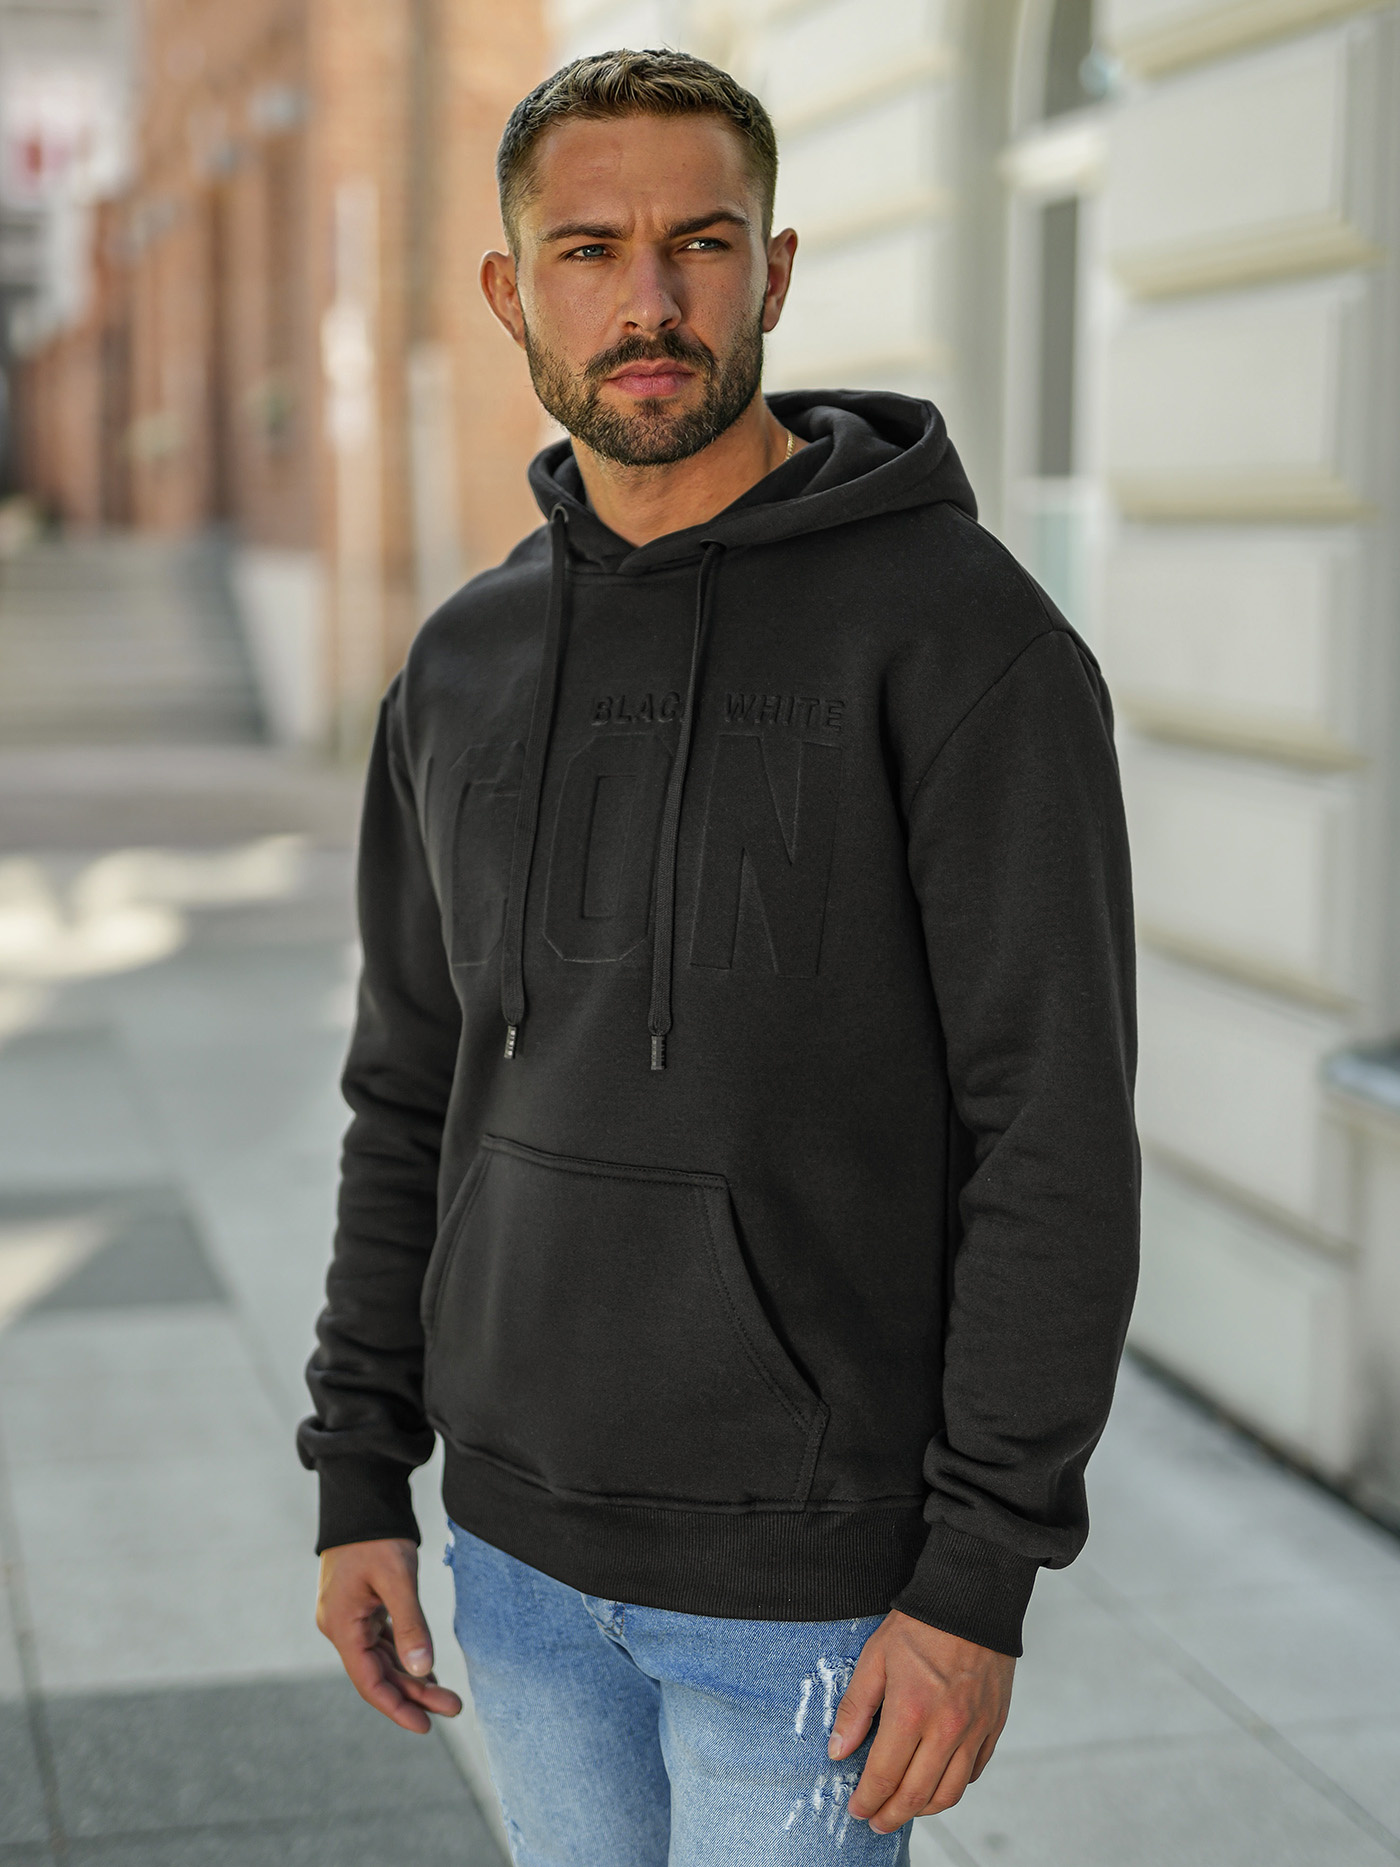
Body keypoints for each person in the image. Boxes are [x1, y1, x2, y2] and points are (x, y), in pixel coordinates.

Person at [299, 47, 1139, 1867]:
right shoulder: (460, 668)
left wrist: (981, 1572)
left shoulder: (961, 640)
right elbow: (408, 1088)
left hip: (810, 1587)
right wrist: (361, 1467)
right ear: (513, 291)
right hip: (514, 1553)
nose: (651, 302)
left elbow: (1053, 1126)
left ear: (775, 271)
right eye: (589, 250)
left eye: (701, 241)